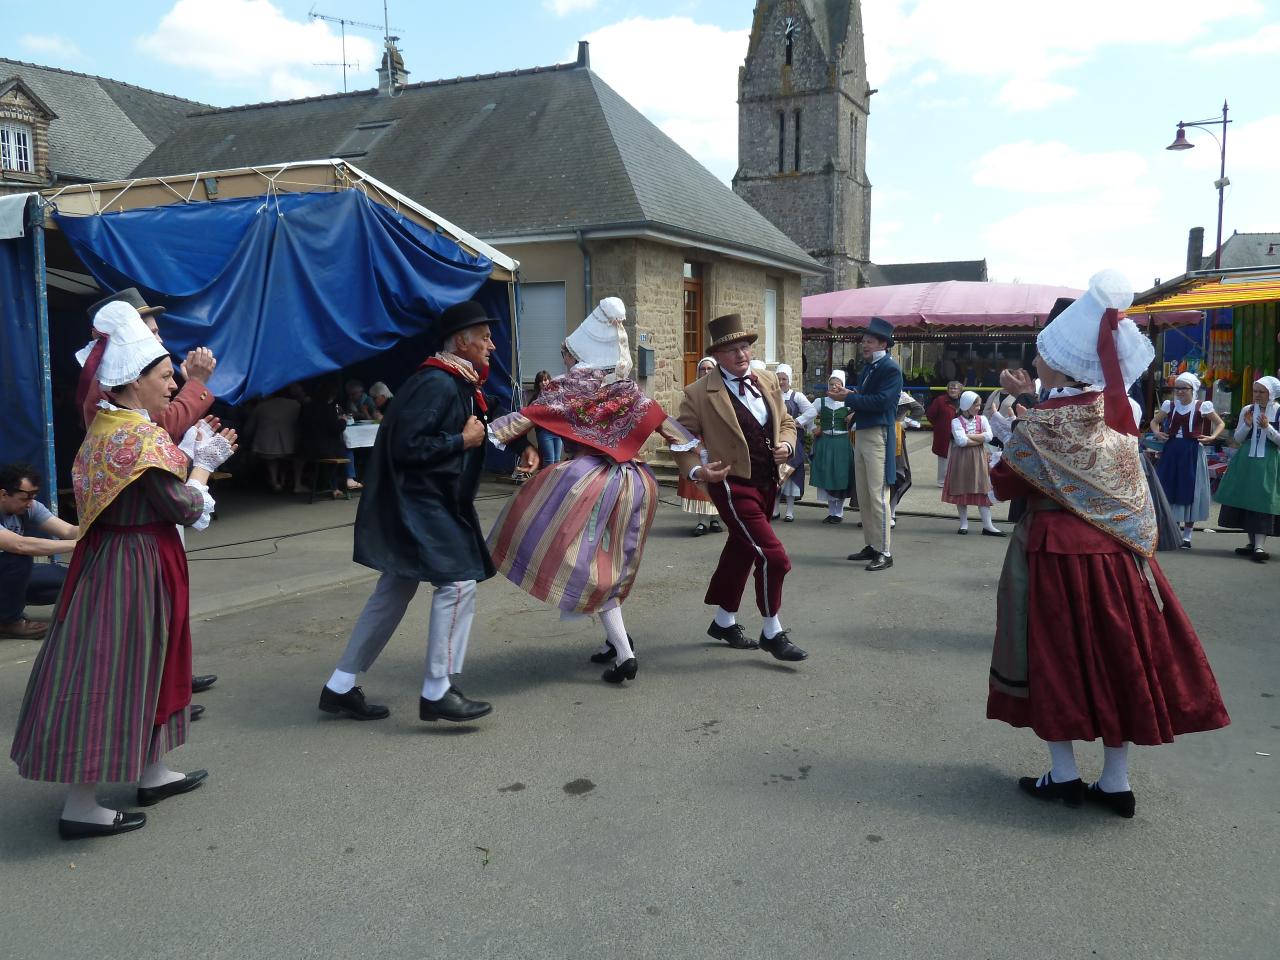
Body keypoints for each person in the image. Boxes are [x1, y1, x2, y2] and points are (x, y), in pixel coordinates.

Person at [986, 269, 1229, 819]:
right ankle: (1116, 782)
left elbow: (1004, 484)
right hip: (1119, 559)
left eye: (1042, 353)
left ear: (1059, 363)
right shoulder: (1117, 418)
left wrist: (1015, 427)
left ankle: (1064, 773)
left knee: (1055, 658)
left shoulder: (1043, 424)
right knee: (1118, 657)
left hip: (1051, 553)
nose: (1038, 360)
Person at [10, 300, 237, 838]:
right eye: (164, 376)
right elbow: (183, 506)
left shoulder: (110, 426)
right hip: (134, 567)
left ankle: (152, 770)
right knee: (113, 672)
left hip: (122, 558)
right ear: (135, 382)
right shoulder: (137, 438)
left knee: (146, 664)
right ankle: (81, 804)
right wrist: (205, 463)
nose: (171, 385)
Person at [318, 300, 538, 724]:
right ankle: (437, 690)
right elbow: (409, 447)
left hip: (421, 500)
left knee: (394, 590)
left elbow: (483, 424)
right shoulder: (437, 383)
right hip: (419, 502)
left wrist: (519, 445)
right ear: (461, 342)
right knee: (457, 583)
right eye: (485, 338)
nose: (492, 345)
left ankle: (340, 686)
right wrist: (462, 443)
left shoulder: (458, 380)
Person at [488, 298, 697, 683]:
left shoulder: (572, 384)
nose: (564, 360)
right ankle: (615, 642)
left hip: (587, 482)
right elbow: (669, 427)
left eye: (566, 354)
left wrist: (490, 431)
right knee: (610, 562)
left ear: (576, 354)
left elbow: (529, 415)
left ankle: (624, 652)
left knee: (574, 559)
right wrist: (699, 464)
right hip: (634, 482)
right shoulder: (626, 389)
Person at [76, 288, 221, 710]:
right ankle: (155, 699)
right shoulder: (125, 419)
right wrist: (203, 462)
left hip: (130, 530)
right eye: (148, 329)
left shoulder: (120, 414)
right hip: (137, 542)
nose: (156, 336)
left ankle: (164, 687)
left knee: (148, 627)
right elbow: (160, 432)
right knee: (145, 627)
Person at [673, 313, 807, 662]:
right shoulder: (698, 394)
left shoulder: (766, 380)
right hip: (732, 486)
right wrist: (698, 471)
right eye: (732, 350)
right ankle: (772, 630)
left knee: (742, 548)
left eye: (745, 347)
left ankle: (723, 620)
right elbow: (680, 440)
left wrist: (787, 446)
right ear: (717, 356)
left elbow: (788, 421)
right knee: (773, 557)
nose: (741, 355)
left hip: (768, 481)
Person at [831, 317, 904, 571]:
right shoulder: (870, 367)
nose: (865, 344)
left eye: (870, 341)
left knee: (877, 494)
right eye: (864, 340)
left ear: (883, 343)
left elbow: (881, 402)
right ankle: (872, 545)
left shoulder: (890, 369)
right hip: (864, 432)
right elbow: (868, 399)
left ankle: (884, 550)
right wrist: (852, 399)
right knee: (863, 493)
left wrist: (849, 398)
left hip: (878, 434)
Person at [0, 463, 78, 639]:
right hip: (8, 568)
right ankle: (8, 621)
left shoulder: (30, 506)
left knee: (71, 579)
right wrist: (76, 545)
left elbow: (68, 531)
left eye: (32, 497)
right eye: (24, 498)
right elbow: (20, 545)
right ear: (3, 494)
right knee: (18, 558)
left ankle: (9, 606)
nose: (30, 504)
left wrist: (99, 530)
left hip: (7, 577)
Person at [1151, 373, 1225, 548]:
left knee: (1190, 489)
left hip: (1191, 451)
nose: (1179, 391)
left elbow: (1220, 423)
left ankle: (1187, 536)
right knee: (1168, 487)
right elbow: (1155, 422)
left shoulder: (1202, 406)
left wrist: (1212, 437)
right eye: (1177, 388)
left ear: (1193, 389)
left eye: (1184, 388)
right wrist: (1156, 432)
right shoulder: (1169, 405)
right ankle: (1171, 530)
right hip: (1172, 451)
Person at [1214, 375, 1280, 563]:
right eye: (1255, 391)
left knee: (1263, 500)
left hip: (1269, 461)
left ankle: (1260, 546)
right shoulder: (1247, 410)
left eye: (1261, 392)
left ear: (1271, 393)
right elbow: (1239, 438)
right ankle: (1252, 543)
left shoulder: (1278, 411)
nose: (1257, 395)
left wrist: (1268, 428)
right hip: (1246, 459)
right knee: (1247, 500)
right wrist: (1247, 424)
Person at [942, 391, 1003, 536]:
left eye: (979, 404)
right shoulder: (956, 421)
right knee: (961, 488)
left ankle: (988, 525)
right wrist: (978, 438)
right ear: (966, 405)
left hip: (979, 458)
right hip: (961, 459)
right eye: (976, 404)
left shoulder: (982, 419)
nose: (978, 407)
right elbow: (961, 442)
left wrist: (968, 435)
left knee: (983, 489)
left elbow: (989, 437)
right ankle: (964, 524)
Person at [679, 357, 723, 536]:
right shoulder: (692, 393)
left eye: (709, 368)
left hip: (718, 440)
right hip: (698, 440)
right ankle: (701, 521)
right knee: (700, 482)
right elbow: (685, 420)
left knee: (719, 480)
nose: (706, 371)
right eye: (703, 369)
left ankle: (715, 519)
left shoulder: (723, 390)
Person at [773, 363, 815, 522]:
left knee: (791, 473)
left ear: (789, 380)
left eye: (784, 379)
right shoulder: (772, 395)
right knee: (776, 474)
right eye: (779, 379)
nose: (781, 381)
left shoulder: (796, 397)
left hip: (793, 440)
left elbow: (811, 411)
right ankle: (775, 509)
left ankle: (790, 510)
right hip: (776, 440)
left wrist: (797, 421)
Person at [810, 371, 853, 523]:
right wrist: (812, 428)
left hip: (842, 442)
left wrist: (852, 417)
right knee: (827, 475)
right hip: (826, 441)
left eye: (837, 384)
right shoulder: (820, 402)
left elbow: (861, 416)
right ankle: (831, 511)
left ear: (843, 386)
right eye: (831, 384)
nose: (834, 387)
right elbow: (808, 414)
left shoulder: (849, 403)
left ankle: (839, 513)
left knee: (840, 476)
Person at [244, 388, 302, 492]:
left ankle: (275, 482)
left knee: (271, 461)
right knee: (289, 460)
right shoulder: (296, 405)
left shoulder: (261, 406)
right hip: (289, 441)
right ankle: (285, 481)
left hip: (266, 443)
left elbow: (250, 426)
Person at [927, 382, 962, 487]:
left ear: (960, 391)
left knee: (959, 458)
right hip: (944, 435)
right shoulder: (940, 401)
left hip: (960, 435)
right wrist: (938, 426)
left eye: (955, 389)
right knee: (944, 459)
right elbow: (930, 415)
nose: (952, 390)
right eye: (950, 388)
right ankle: (942, 482)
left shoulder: (963, 401)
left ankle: (956, 481)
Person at [528, 370, 565, 469]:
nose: (544, 383)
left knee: (557, 461)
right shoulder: (535, 398)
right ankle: (545, 483)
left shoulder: (556, 395)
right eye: (541, 381)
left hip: (557, 431)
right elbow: (529, 413)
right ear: (538, 383)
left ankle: (552, 483)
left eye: (546, 380)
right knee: (549, 460)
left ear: (549, 381)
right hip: (544, 432)